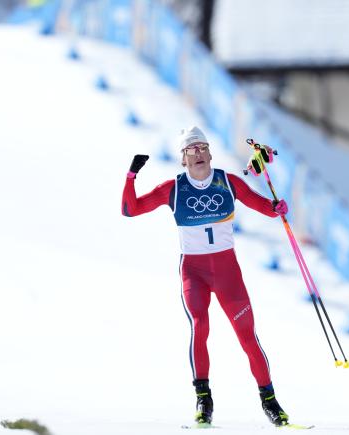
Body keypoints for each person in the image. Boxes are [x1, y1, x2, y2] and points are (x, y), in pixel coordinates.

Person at [121, 126, 291, 427]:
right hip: (194, 272)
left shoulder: (228, 182)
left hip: (228, 273)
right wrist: (132, 175)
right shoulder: (173, 188)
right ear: (183, 159)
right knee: (200, 326)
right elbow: (129, 210)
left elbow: (264, 206)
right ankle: (204, 400)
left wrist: (277, 207)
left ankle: (270, 402)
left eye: (202, 148)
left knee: (247, 336)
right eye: (191, 150)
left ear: (210, 153)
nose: (198, 153)